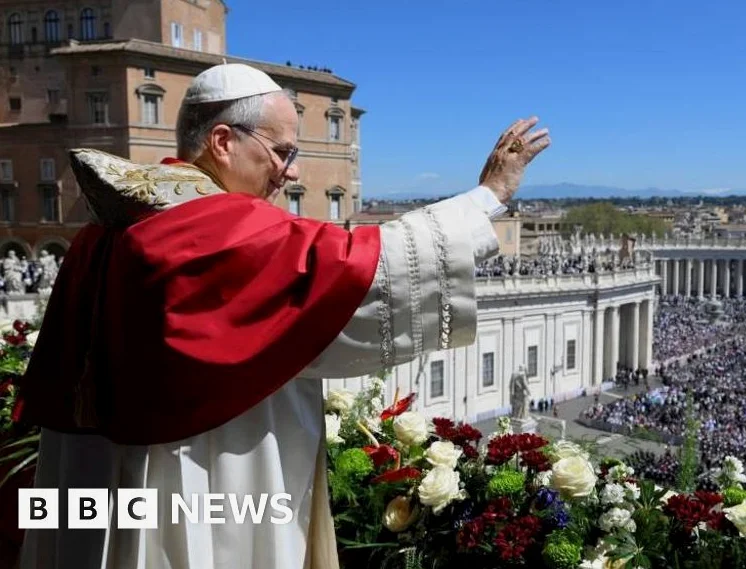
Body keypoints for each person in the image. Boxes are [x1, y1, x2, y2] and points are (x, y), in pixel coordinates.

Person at [14, 63, 550, 569]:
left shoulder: (109, 224)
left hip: (96, 474)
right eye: (281, 152)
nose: (289, 175)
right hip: (199, 476)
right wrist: (489, 196)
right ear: (224, 142)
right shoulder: (209, 225)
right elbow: (360, 268)